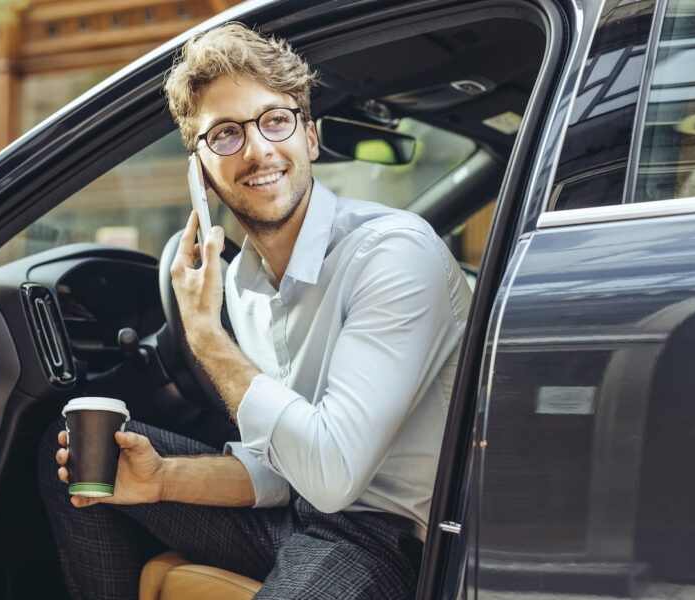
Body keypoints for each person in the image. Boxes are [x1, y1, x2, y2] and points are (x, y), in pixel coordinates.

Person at [38, 21, 472, 600]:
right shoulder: (240, 282)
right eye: (225, 135)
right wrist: (162, 478)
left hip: (389, 535)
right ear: (200, 172)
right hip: (299, 509)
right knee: (74, 458)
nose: (259, 149)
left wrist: (206, 338)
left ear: (310, 137)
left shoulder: (393, 254)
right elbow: (282, 467)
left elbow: (333, 474)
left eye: (275, 120)